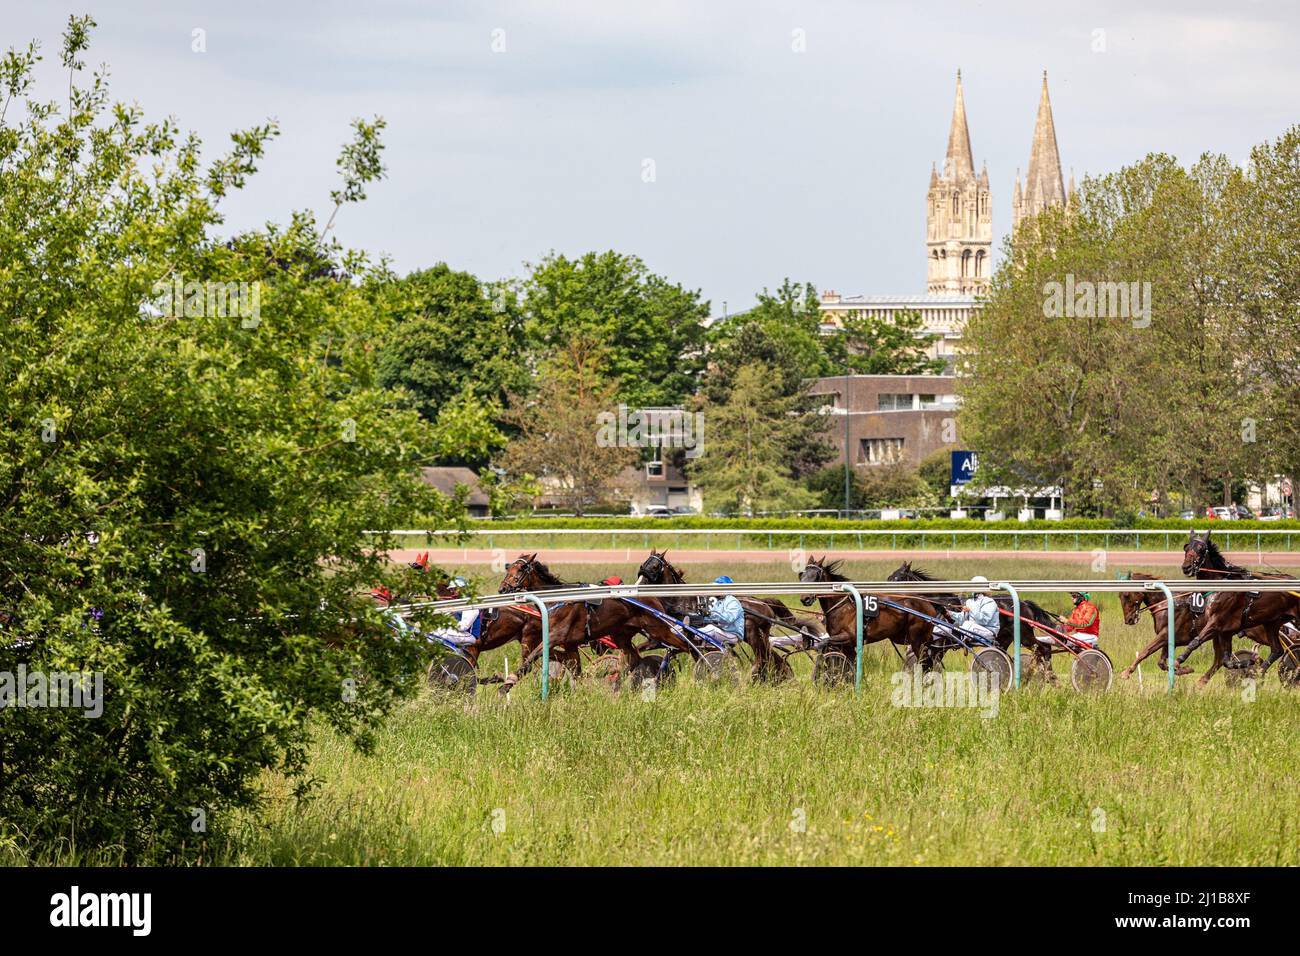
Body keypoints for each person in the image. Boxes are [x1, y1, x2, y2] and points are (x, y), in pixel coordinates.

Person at [937, 576, 1000, 642]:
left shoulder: (989, 601)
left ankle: (959, 637)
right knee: (941, 627)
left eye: (974, 585)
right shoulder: (969, 601)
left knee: (967, 624)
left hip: (988, 632)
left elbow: (984, 620)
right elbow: (961, 619)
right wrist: (949, 613)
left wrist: (970, 610)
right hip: (970, 629)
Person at [686, 575, 745, 645]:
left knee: (711, 629)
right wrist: (698, 618)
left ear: (725, 589)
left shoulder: (732, 601)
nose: (713, 589)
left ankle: (689, 635)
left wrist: (710, 613)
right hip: (721, 631)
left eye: (716, 587)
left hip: (732, 635)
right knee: (691, 626)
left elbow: (727, 619)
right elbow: (712, 619)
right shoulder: (718, 602)